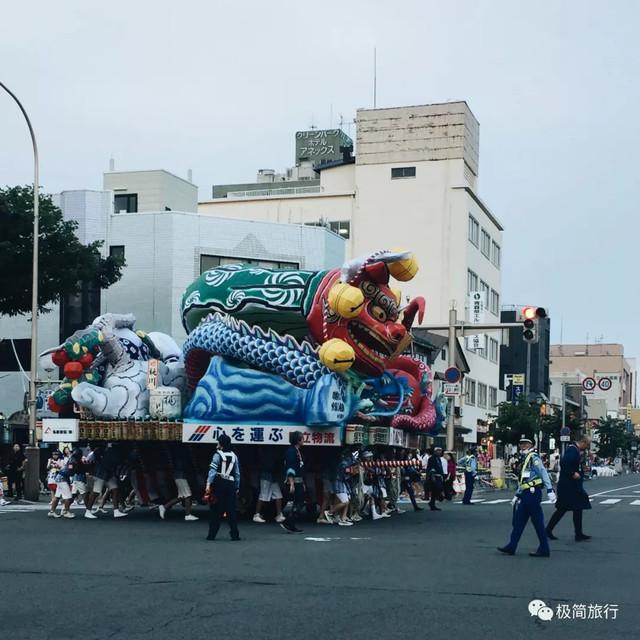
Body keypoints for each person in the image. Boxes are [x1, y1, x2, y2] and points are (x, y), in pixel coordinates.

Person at [498, 436, 556, 558]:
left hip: (533, 493)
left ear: (531, 445)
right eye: (521, 444)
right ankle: (512, 546)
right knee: (518, 521)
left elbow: (543, 472)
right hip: (525, 493)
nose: (522, 446)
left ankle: (544, 548)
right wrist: (517, 494)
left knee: (537, 522)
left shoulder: (534, 458)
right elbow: (523, 480)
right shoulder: (525, 458)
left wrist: (550, 489)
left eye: (525, 444)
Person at [546, 436, 592, 542]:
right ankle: (548, 530)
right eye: (587, 445)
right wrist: (573, 473)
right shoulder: (572, 450)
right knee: (563, 509)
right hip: (568, 486)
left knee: (577, 508)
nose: (587, 447)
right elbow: (564, 463)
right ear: (583, 442)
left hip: (571, 486)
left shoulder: (574, 450)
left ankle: (578, 533)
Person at [205, 434, 240, 541]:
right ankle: (235, 534)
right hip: (231, 484)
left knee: (216, 510)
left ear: (221, 444)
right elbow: (237, 473)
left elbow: (212, 471)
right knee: (231, 510)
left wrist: (208, 484)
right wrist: (237, 486)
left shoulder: (217, 455)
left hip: (219, 483)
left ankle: (212, 535)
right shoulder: (234, 456)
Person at [159, 447, 199, 522]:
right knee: (187, 495)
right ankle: (187, 515)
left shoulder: (178, 456)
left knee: (182, 496)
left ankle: (164, 507)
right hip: (181, 476)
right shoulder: (182, 457)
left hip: (179, 476)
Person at [280, 431, 305, 533]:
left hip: (299, 480)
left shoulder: (296, 451)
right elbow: (290, 468)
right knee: (298, 503)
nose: (304, 440)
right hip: (294, 481)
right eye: (302, 438)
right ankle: (289, 522)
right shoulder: (291, 452)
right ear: (298, 440)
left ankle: (290, 522)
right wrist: (291, 484)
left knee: (299, 502)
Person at [253, 446, 285, 524]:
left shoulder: (266, 451)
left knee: (277, 495)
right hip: (267, 474)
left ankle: (278, 515)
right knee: (264, 495)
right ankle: (257, 514)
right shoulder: (271, 452)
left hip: (270, 474)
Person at [48, 449, 79, 518]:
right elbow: (70, 469)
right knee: (68, 497)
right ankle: (66, 512)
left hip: (60, 477)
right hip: (63, 479)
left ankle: (52, 511)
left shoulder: (71, 459)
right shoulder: (73, 460)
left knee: (57, 496)